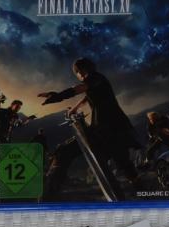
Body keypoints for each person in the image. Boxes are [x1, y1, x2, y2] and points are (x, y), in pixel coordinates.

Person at [38, 58, 139, 196]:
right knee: (124, 164)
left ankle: (49, 195)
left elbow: (78, 89)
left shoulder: (94, 78)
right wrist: (75, 108)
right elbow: (88, 96)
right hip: (116, 127)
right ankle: (141, 192)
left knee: (64, 151)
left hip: (106, 129)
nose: (78, 76)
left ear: (79, 71)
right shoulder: (98, 80)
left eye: (77, 73)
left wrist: (56, 96)